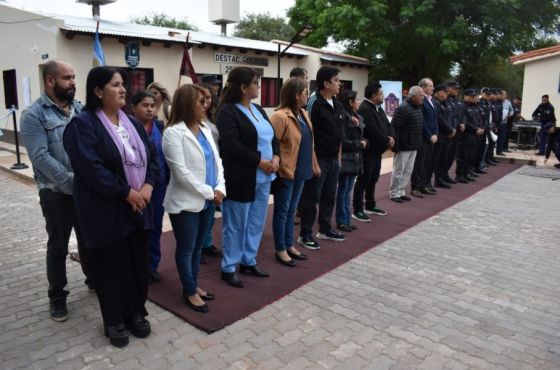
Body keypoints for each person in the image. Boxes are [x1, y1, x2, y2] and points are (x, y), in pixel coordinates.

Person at [63, 66, 159, 348]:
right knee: (111, 270)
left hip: (139, 208)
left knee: (138, 268)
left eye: (123, 85)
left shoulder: (131, 123)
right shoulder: (83, 126)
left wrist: (148, 185)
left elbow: (151, 156)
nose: (123, 90)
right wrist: (126, 191)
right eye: (115, 85)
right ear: (97, 91)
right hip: (106, 211)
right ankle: (114, 320)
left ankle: (136, 313)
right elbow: (92, 170)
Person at [20, 60, 92, 322]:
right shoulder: (34, 115)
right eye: (67, 78)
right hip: (56, 193)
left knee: (88, 240)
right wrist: (73, 182)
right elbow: (39, 157)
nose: (73, 82)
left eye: (73, 77)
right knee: (58, 247)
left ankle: (93, 279)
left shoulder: (80, 109)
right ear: (50, 81)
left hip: (84, 191)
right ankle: (57, 297)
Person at [162, 84, 226, 312]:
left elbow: (217, 162)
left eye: (206, 100)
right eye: (201, 101)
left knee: (199, 248)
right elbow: (181, 173)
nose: (206, 104)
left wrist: (220, 188)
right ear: (188, 104)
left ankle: (193, 285)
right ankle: (189, 291)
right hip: (186, 202)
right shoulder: (173, 133)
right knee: (187, 248)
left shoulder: (206, 129)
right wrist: (212, 192)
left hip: (209, 200)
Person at [216, 67, 279, 288]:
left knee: (256, 222)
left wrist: (277, 157)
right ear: (243, 87)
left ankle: (248, 260)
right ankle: (229, 266)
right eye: (256, 83)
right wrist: (260, 161)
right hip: (241, 177)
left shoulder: (259, 109)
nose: (259, 86)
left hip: (264, 178)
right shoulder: (227, 111)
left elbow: (273, 138)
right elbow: (232, 145)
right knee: (236, 224)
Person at [269, 77, 319, 267]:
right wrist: (278, 165)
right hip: (286, 171)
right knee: (282, 211)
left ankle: (289, 244)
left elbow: (309, 142)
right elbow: (272, 145)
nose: (308, 94)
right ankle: (280, 248)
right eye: (305, 91)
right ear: (296, 95)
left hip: (302, 170)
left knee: (291, 211)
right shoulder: (280, 116)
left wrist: (314, 164)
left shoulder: (304, 114)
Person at [298, 66, 346, 249]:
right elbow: (309, 135)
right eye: (336, 80)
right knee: (312, 198)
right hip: (319, 159)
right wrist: (314, 162)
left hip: (334, 159)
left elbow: (339, 133)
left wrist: (339, 158)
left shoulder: (337, 102)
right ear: (326, 83)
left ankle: (325, 228)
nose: (339, 84)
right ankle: (305, 234)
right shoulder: (314, 103)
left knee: (329, 196)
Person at [131, 91, 168, 283]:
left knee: (155, 227)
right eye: (145, 105)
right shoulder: (127, 128)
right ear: (134, 107)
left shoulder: (159, 127)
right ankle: (136, 266)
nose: (150, 109)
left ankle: (152, 265)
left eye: (152, 105)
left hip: (159, 187)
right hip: (136, 189)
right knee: (138, 230)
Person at [353, 82, 394, 222]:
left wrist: (391, 136)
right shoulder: (365, 109)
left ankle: (370, 204)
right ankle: (358, 208)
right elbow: (371, 130)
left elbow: (388, 125)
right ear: (374, 95)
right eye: (381, 94)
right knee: (364, 180)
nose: (383, 96)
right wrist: (386, 140)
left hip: (378, 151)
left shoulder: (379, 108)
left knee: (374, 179)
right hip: (368, 151)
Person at [196, 83, 222, 262]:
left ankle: (207, 243)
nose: (206, 101)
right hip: (199, 171)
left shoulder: (213, 118)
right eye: (202, 98)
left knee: (211, 211)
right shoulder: (193, 120)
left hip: (215, 169)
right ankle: (197, 246)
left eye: (209, 97)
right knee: (198, 210)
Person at [335, 90, 367, 232]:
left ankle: (347, 219)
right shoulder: (343, 117)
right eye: (357, 99)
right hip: (347, 158)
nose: (359, 102)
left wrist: (363, 141)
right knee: (343, 191)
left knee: (348, 190)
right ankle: (342, 220)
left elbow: (362, 134)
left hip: (355, 158)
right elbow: (343, 141)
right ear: (350, 102)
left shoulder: (357, 116)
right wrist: (359, 143)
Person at [389, 86, 424, 203]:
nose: (423, 97)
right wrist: (396, 146)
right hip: (403, 146)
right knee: (399, 170)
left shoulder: (417, 108)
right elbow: (395, 128)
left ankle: (401, 191)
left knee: (408, 170)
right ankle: (394, 193)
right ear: (413, 96)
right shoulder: (403, 108)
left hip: (414, 145)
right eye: (421, 95)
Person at [411, 78, 438, 198]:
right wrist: (429, 135)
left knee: (427, 162)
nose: (433, 88)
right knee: (419, 163)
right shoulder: (422, 101)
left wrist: (436, 133)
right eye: (430, 86)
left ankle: (424, 185)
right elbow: (422, 121)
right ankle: (415, 187)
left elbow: (435, 119)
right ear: (423, 87)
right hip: (423, 137)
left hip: (432, 137)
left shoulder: (432, 100)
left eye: (433, 86)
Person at [456, 89, 484, 183]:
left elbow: (479, 119)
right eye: (471, 96)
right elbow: (465, 122)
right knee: (464, 155)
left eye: (474, 96)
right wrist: (476, 129)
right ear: (466, 96)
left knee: (471, 155)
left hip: (475, 135)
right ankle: (460, 174)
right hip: (466, 135)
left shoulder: (474, 107)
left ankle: (467, 172)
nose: (473, 98)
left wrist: (481, 128)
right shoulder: (462, 106)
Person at [432, 84, 456, 189]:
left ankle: (442, 177)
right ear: (439, 92)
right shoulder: (435, 103)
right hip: (441, 135)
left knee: (445, 158)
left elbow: (452, 116)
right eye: (445, 92)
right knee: (437, 160)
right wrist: (450, 130)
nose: (447, 94)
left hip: (448, 135)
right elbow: (440, 119)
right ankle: (438, 179)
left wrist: (453, 129)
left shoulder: (445, 103)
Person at [496, 90, 514, 156]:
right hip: (496, 123)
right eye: (503, 94)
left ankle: (499, 151)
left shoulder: (508, 103)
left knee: (502, 137)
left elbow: (512, 110)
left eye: (505, 94)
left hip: (504, 122)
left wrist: (510, 115)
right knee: (494, 138)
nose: (504, 95)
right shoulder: (496, 102)